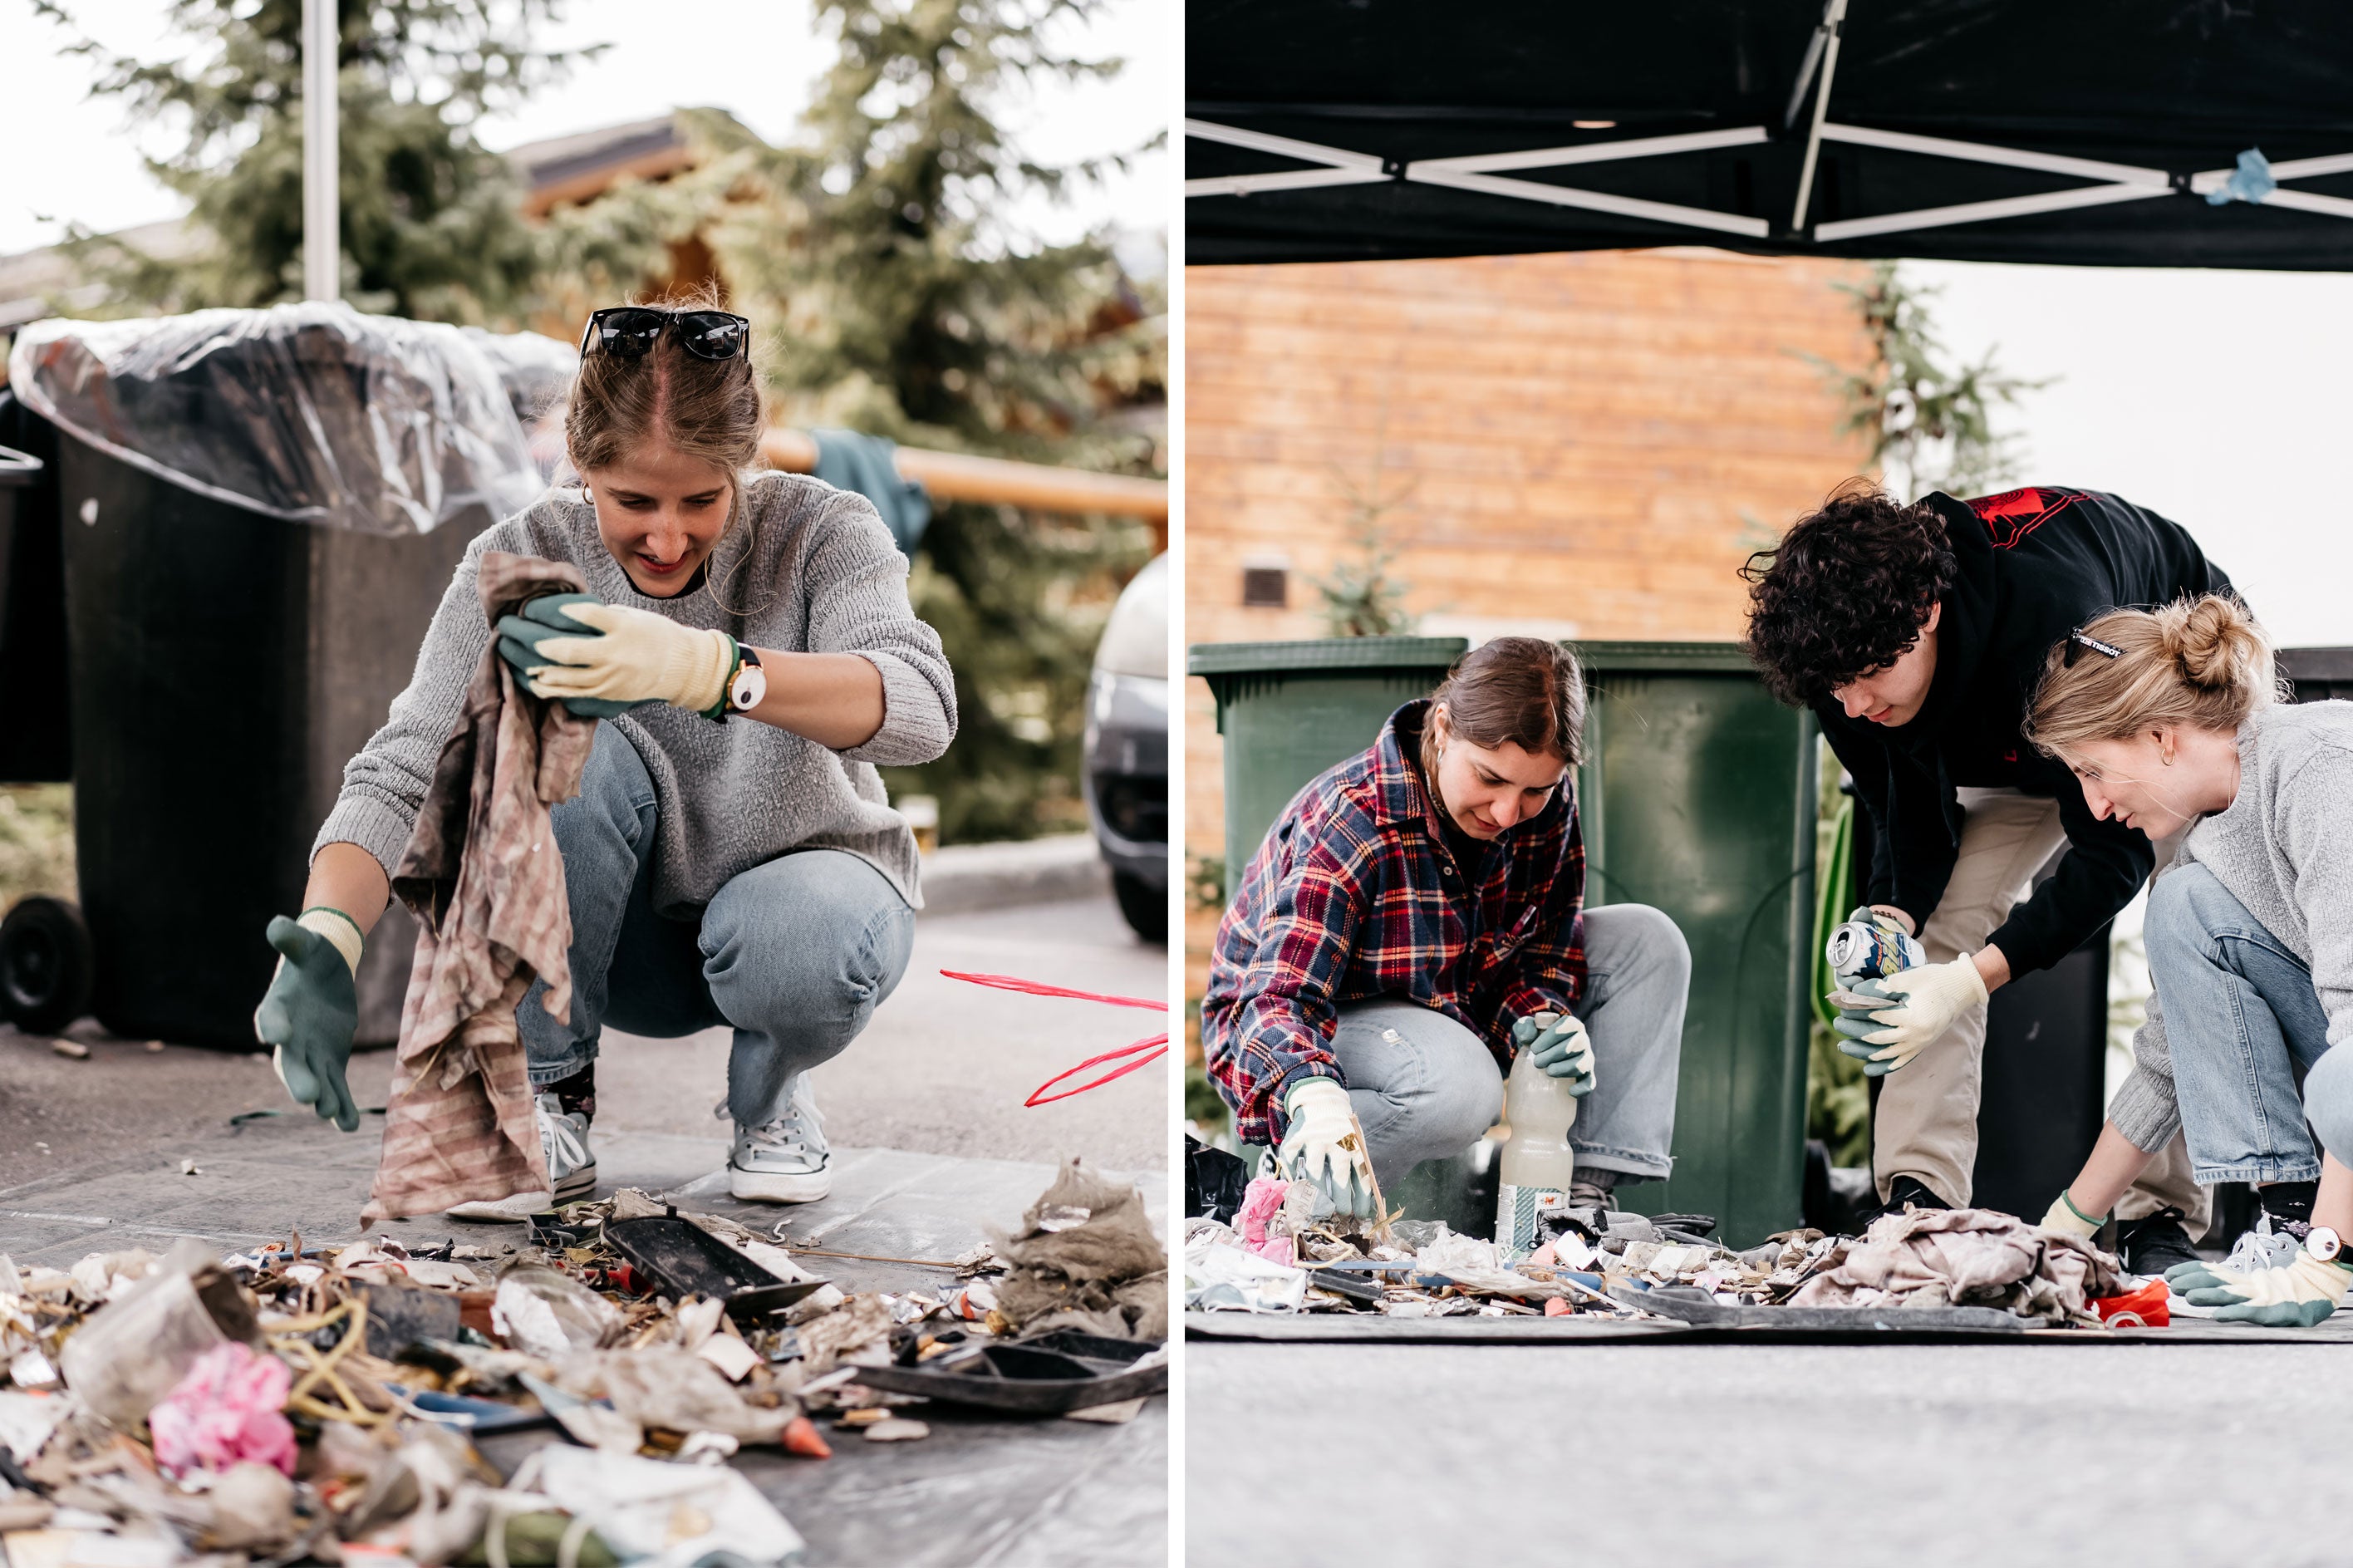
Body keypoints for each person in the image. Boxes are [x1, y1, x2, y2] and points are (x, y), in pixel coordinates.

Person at [251, 297, 956, 1219]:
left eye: (702, 500)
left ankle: (773, 1099)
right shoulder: (525, 556)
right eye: (633, 502)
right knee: (544, 731)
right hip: (606, 942)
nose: (667, 539)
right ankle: (548, 1098)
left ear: (744, 468)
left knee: (799, 945)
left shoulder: (822, 532)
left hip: (797, 915)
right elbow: (407, 766)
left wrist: (711, 667)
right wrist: (329, 936)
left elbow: (921, 710)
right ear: (581, 468)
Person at [1742, 480, 2231, 1269]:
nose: (1856, 703)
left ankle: (2160, 1217)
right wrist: (1889, 918)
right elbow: (1903, 806)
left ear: (1927, 613)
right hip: (2014, 739)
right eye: (1838, 689)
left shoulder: (2057, 624)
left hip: (2148, 708)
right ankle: (1918, 1205)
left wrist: (1972, 983)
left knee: (2188, 924)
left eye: (1872, 674)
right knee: (1937, 935)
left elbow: (2114, 857)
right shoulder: (1840, 663)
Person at [1199, 637, 1691, 1217]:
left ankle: (1576, 1203)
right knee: (1461, 1086)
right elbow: (1277, 999)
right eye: (1489, 778)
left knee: (1648, 943)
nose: (1508, 812)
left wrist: (1541, 1017)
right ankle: (1296, 1193)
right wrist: (1310, 1091)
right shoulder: (1354, 818)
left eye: (1535, 788)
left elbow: (1541, 953)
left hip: (1446, 1002)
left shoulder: (1548, 810)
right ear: (1441, 728)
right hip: (1306, 1018)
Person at [2026, 596, 2353, 1324]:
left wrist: (2328, 1261)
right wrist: (2063, 1228)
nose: (2097, 805)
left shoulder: (2320, 771)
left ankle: (2320, 1242)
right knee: (2180, 904)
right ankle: (2289, 1222)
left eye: (2093, 770)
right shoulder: (2211, 844)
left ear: (2160, 737)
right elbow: (2168, 1056)